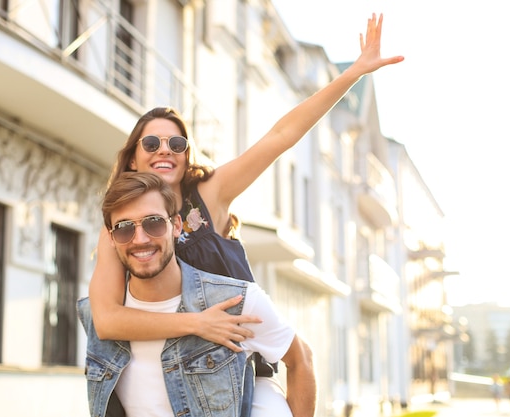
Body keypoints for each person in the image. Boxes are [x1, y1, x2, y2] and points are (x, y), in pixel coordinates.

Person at [88, 13, 403, 415]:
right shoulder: (119, 230)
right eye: (151, 141)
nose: (164, 148)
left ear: (187, 156)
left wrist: (354, 73)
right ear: (133, 155)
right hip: (167, 367)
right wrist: (197, 323)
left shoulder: (208, 195)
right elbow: (108, 319)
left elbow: (280, 136)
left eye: (177, 142)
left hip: (238, 366)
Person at [77, 172, 316, 417]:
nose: (140, 239)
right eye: (124, 228)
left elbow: (301, 359)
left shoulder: (233, 303)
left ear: (177, 226)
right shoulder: (98, 315)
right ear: (111, 238)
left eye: (154, 222)